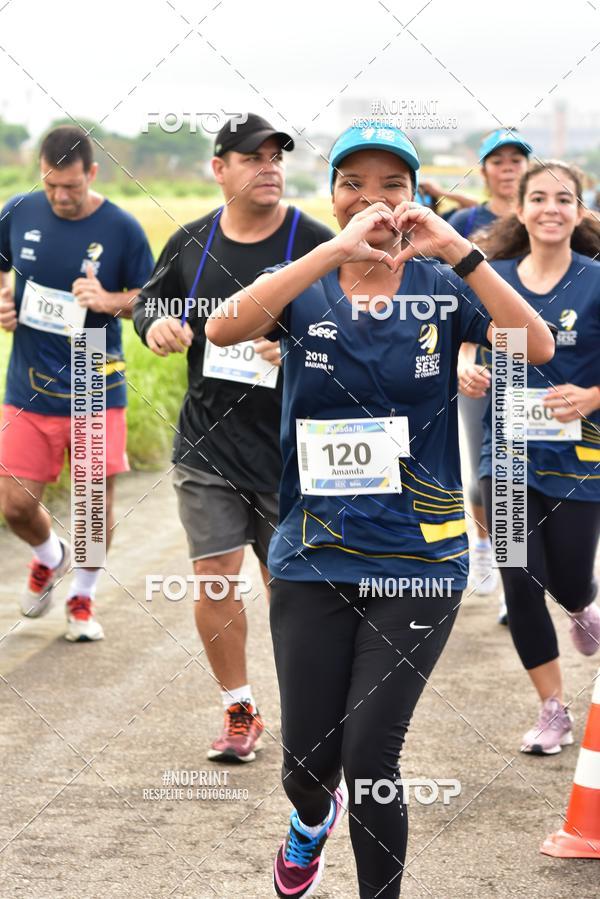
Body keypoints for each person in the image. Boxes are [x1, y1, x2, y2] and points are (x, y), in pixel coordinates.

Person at [206, 124, 554, 898]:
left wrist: (457, 251)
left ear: (416, 196)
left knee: (370, 758)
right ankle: (306, 823)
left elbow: (533, 347)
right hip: (312, 555)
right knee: (307, 765)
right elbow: (222, 328)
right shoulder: (306, 281)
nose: (373, 198)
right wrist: (331, 253)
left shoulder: (443, 286)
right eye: (353, 183)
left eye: (392, 184)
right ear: (332, 197)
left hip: (420, 558)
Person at [132, 113, 334, 764]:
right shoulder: (191, 243)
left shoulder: (315, 240)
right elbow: (149, 305)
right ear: (219, 169)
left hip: (290, 449)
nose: (269, 165)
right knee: (215, 576)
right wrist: (153, 329)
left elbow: (360, 324)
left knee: (290, 589)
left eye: (276, 154)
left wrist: (304, 346)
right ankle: (239, 707)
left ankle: (308, 712)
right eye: (252, 156)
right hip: (208, 446)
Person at [0, 125, 154, 641]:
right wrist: (3, 297)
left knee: (92, 506)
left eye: (71, 186)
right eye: (51, 187)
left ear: (92, 173)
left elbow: (151, 303)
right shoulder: (19, 211)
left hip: (94, 379)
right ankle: (49, 555)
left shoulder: (123, 229)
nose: (61, 197)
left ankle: (82, 599)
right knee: (14, 502)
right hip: (27, 381)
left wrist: (108, 301)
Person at [476, 160, 600, 755]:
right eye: (540, 198)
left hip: (581, 457)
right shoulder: (491, 277)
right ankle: (552, 709)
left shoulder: (597, 280)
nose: (552, 208)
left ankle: (582, 606)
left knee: (569, 578)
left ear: (579, 212)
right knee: (521, 579)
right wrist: (464, 365)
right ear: (519, 209)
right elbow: (464, 341)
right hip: (507, 457)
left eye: (565, 199)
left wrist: (594, 395)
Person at [451, 129, 532, 614]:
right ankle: (482, 544)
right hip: (479, 359)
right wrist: (461, 355)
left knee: (517, 475)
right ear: (483, 170)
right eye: (497, 160)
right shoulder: (464, 222)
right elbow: (450, 295)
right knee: (484, 473)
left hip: (533, 359)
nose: (507, 168)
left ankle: (512, 582)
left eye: (516, 159)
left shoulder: (541, 220)